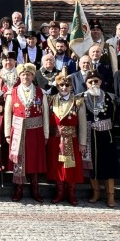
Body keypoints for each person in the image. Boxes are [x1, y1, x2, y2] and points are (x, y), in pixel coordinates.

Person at [4, 63, 49, 202]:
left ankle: (35, 189)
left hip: (35, 131)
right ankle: (19, 189)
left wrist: (46, 133)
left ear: (32, 76)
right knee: (19, 160)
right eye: (23, 75)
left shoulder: (41, 92)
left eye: (28, 75)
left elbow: (45, 114)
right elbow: (7, 114)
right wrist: (7, 133)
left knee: (34, 161)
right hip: (17, 131)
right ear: (19, 76)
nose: (26, 77)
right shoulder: (13, 92)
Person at [46, 71, 87, 205]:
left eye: (67, 85)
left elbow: (82, 124)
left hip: (72, 140)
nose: (64, 88)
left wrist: (82, 142)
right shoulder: (50, 100)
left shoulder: (78, 102)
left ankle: (71, 193)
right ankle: (59, 192)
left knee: (71, 167)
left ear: (71, 87)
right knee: (57, 167)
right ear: (57, 87)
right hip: (55, 140)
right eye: (61, 85)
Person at [83, 71, 120, 208]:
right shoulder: (80, 98)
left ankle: (110, 195)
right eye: (90, 81)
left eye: (96, 81)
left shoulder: (110, 98)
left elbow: (115, 115)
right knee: (91, 166)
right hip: (89, 135)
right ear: (86, 84)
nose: (93, 84)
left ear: (101, 82)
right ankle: (96, 192)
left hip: (106, 135)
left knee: (108, 166)